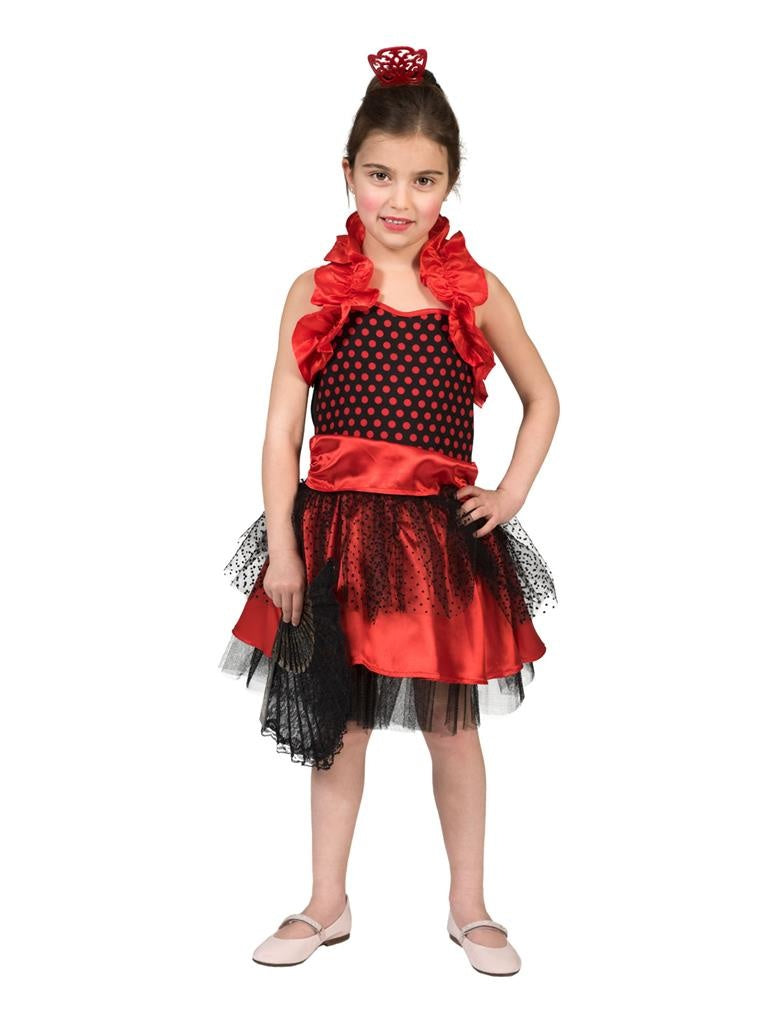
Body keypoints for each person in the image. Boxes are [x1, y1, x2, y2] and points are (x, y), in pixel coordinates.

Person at [218, 44, 559, 975]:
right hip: (333, 539)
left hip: (436, 545)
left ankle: (469, 906)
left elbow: (544, 398)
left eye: (423, 180)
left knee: (453, 728)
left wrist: (509, 493)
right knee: (340, 728)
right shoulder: (316, 291)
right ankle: (325, 903)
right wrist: (282, 549)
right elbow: (280, 434)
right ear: (348, 173)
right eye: (380, 175)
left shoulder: (474, 292)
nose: (399, 200)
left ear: (450, 182)